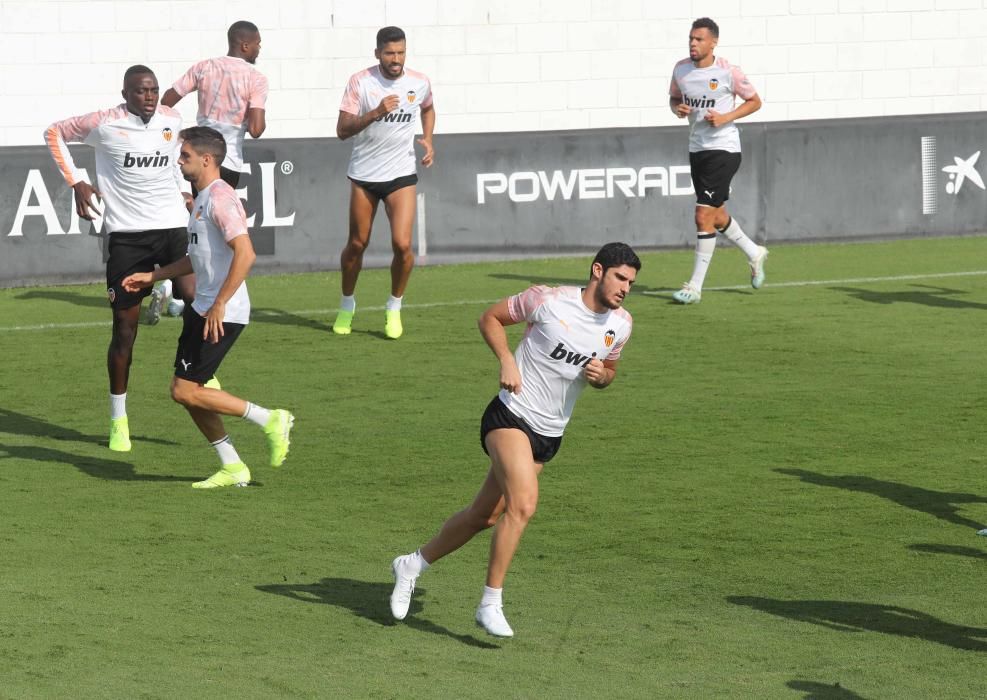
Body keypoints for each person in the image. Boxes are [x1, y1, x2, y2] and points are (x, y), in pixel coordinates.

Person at [389, 242, 641, 637]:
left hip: (549, 434)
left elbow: (610, 369)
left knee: (484, 517)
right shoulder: (548, 301)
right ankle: (490, 602)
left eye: (631, 282)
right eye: (620, 277)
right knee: (523, 506)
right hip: (511, 415)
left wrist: (602, 378)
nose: (625, 287)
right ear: (597, 271)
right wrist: (507, 359)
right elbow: (489, 318)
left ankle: (412, 564)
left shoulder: (621, 324)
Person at [122, 127, 293, 489]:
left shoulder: (220, 198)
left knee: (185, 391)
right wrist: (153, 276)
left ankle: (270, 419)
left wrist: (219, 304)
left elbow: (246, 254)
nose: (179, 161)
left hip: (221, 313)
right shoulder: (201, 198)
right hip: (201, 308)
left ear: (206, 159)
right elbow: (196, 259)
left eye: (184, 155)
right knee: (191, 393)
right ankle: (232, 466)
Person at [45, 65, 194, 452]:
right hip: (127, 238)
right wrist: (76, 180)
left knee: (198, 299)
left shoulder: (172, 119)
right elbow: (53, 132)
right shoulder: (104, 123)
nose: (150, 97)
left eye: (155, 90)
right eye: (142, 91)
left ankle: (198, 371)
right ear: (126, 93)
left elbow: (176, 157)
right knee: (125, 332)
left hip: (173, 229)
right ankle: (118, 419)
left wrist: (185, 193)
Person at [158, 20, 268, 319]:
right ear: (244, 44)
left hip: (194, 154)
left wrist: (170, 132)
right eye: (257, 43)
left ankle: (178, 291)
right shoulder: (255, 78)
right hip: (224, 161)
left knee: (193, 224)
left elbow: (167, 100)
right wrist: (248, 116)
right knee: (215, 233)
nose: (260, 47)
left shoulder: (205, 67)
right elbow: (257, 129)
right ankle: (200, 295)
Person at [331, 25, 435, 339]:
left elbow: (428, 108)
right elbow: (342, 130)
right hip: (364, 175)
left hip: (401, 174)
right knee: (357, 244)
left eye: (401, 52)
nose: (396, 59)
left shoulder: (419, 82)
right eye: (389, 53)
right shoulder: (360, 83)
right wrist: (376, 112)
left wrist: (428, 138)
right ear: (377, 53)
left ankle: (393, 307)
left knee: (403, 245)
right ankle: (347, 304)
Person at [668, 17, 767, 305]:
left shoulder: (728, 72)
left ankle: (695, 287)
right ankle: (754, 252)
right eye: (691, 38)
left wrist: (725, 118)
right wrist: (678, 108)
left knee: (702, 214)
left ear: (713, 42)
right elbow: (674, 98)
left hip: (724, 149)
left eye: (699, 39)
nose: (693, 43)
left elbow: (755, 101)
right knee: (716, 214)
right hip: (697, 149)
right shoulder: (681, 69)